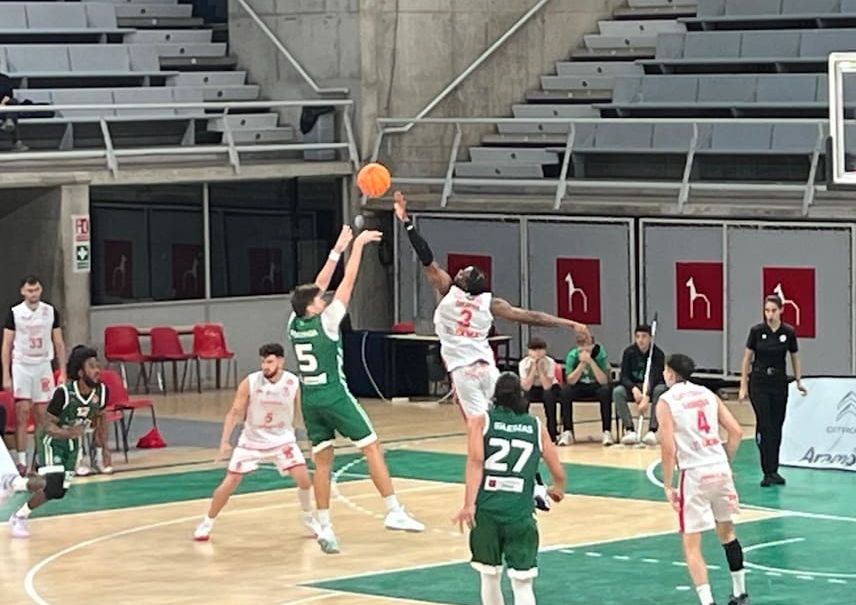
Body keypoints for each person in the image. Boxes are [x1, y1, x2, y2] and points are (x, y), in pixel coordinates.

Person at [393, 191, 588, 423]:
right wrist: (569, 322)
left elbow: (426, 257)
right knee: (506, 417)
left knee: (478, 426)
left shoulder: (447, 289)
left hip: (463, 370)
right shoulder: (489, 303)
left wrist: (406, 223)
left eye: (464, 272)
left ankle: (485, 456)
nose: (460, 270)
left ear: (464, 282)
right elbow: (529, 316)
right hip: (487, 369)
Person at [288, 224, 424, 555]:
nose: (325, 297)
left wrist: (337, 249)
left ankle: (325, 526)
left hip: (309, 400)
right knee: (372, 447)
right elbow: (347, 283)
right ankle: (393, 510)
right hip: (334, 394)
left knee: (322, 462)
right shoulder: (329, 320)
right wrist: (358, 247)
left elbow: (316, 286)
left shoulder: (294, 323)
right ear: (313, 308)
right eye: (321, 299)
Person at [453, 373, 567, 605]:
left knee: (489, 576)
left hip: (488, 512)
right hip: (520, 513)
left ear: (495, 395)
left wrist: (468, 504)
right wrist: (557, 490)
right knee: (523, 582)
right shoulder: (536, 425)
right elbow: (557, 469)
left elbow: (476, 462)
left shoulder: (482, 421)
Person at [653, 352, 750, 605]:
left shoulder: (667, 401)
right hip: (719, 468)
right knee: (727, 533)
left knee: (691, 545)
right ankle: (740, 594)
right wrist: (725, 461)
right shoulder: (708, 394)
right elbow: (736, 433)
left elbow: (668, 447)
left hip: (694, 474)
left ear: (671, 374)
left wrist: (668, 485)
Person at [193, 344, 320, 542]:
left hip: (282, 439)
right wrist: (224, 442)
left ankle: (308, 517)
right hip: (252, 439)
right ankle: (207, 522)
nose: (265, 366)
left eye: (269, 361)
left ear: (280, 361)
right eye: (263, 362)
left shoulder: (293, 382)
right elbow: (234, 412)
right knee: (230, 482)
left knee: (304, 479)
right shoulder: (250, 382)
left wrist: (314, 443)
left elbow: (306, 415)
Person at [7, 345, 106, 539]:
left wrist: (102, 448)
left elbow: (99, 418)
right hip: (51, 441)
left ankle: (17, 484)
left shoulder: (101, 393)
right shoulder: (64, 393)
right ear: (80, 372)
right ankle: (18, 517)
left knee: (58, 491)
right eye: (92, 366)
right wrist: (67, 433)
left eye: (98, 365)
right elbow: (46, 425)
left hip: (72, 444)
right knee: (53, 485)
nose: (98, 370)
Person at [2, 275, 68, 475]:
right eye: (29, 291)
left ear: (41, 290)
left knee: (43, 416)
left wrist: (62, 371)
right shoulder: (14, 313)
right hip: (22, 366)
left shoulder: (50, 312)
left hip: (43, 365)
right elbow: (6, 345)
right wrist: (6, 375)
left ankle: (39, 460)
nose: (33, 294)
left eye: (36, 290)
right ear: (23, 292)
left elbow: (59, 343)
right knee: (22, 413)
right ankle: (21, 462)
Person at [738, 294, 805, 487]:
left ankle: (774, 469)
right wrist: (743, 385)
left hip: (778, 382)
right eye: (767, 310)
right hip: (759, 382)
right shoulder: (757, 332)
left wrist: (798, 380)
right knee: (765, 424)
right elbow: (746, 358)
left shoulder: (788, 332)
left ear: (781, 310)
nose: (769, 314)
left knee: (777, 425)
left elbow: (795, 357)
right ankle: (766, 470)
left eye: (773, 310)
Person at [614, 323, 666, 447]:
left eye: (644, 336)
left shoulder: (657, 354)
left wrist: (647, 395)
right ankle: (630, 429)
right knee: (618, 392)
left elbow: (657, 377)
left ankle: (652, 430)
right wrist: (633, 389)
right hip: (634, 386)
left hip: (652, 387)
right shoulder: (629, 352)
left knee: (660, 390)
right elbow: (624, 376)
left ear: (650, 338)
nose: (641, 340)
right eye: (638, 336)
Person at [518, 337, 560, 443]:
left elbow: (547, 386)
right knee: (523, 397)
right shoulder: (523, 363)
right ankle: (524, 428)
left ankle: (552, 431)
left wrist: (540, 369)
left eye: (540, 350)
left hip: (548, 387)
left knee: (549, 396)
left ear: (545, 351)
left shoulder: (550, 362)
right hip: (531, 387)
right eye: (533, 350)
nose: (537, 353)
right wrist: (532, 368)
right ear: (528, 351)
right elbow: (526, 386)